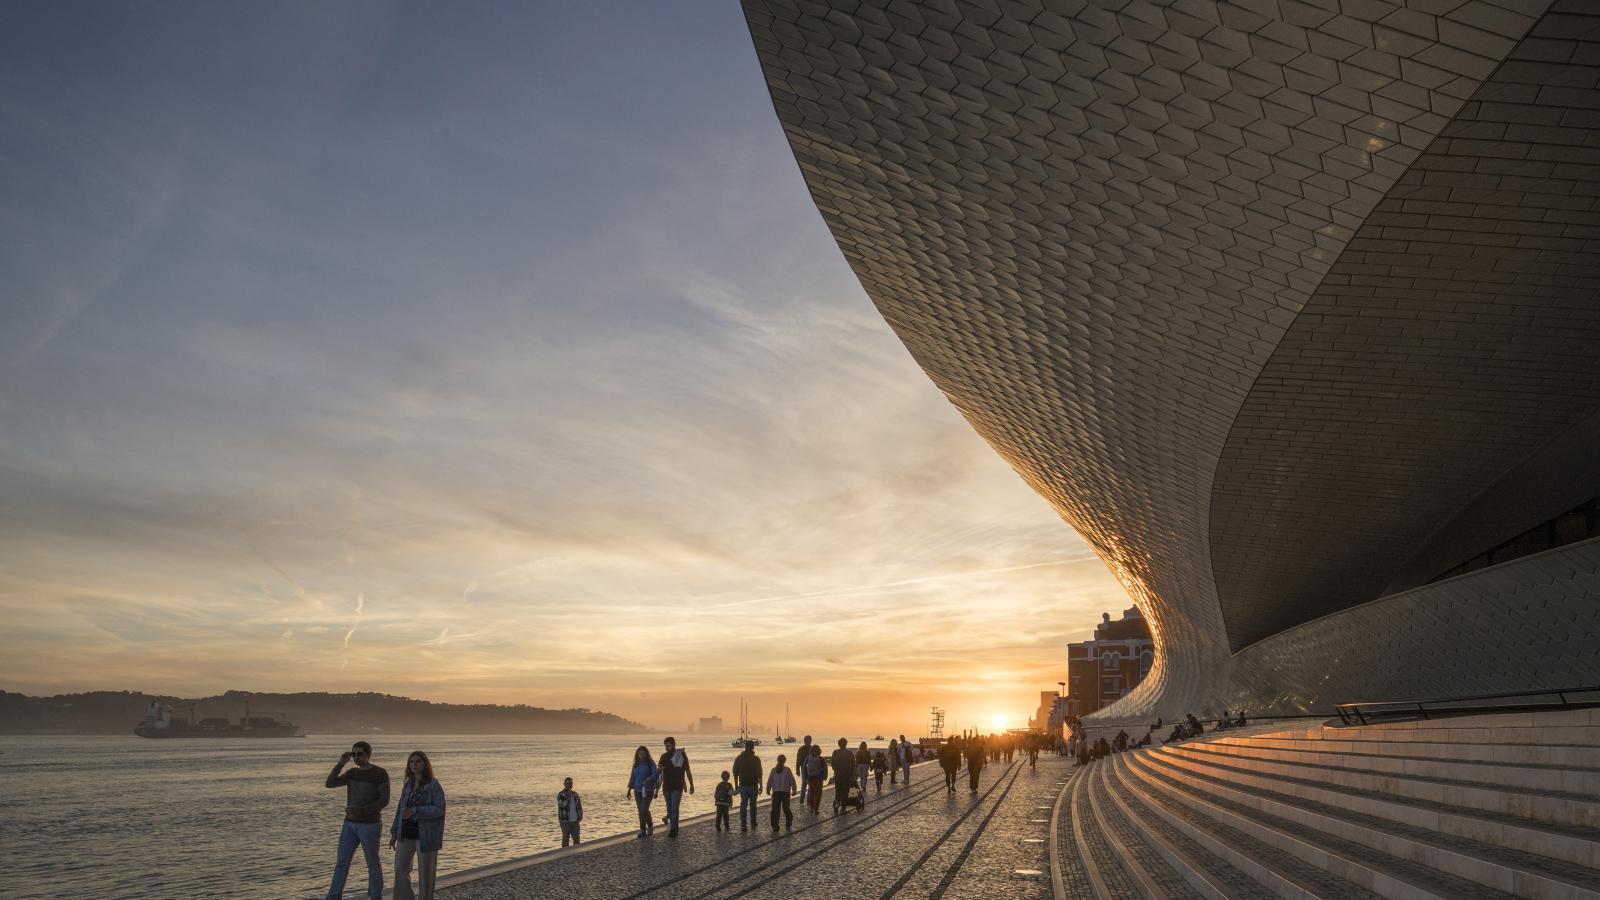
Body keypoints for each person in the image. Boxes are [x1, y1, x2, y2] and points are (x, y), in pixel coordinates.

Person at [324, 740, 391, 900]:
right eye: (353, 754)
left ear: (368, 755)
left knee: (373, 864)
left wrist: (361, 811)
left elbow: (384, 800)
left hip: (370, 825)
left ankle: (375, 896)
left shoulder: (380, 773)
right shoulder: (352, 773)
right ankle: (333, 897)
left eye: (359, 754)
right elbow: (330, 783)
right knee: (342, 862)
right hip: (349, 825)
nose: (356, 757)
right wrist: (341, 763)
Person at [389, 750, 445, 900]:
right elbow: (400, 808)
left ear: (425, 764)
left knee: (425, 873)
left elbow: (440, 809)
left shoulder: (433, 784)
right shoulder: (408, 784)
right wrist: (394, 832)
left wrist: (416, 811)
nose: (414, 764)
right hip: (405, 833)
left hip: (426, 835)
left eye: (418, 761)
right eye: (411, 762)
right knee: (400, 869)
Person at [657, 736, 694, 837]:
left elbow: (687, 770)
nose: (666, 748)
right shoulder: (663, 756)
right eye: (665, 746)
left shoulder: (681, 755)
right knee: (669, 809)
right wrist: (657, 789)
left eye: (668, 746)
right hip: (666, 787)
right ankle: (673, 827)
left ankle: (674, 829)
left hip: (677, 786)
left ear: (673, 745)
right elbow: (659, 773)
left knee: (674, 808)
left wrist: (691, 785)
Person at [625, 745, 659, 838]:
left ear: (646, 754)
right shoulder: (636, 764)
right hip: (637, 790)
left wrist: (649, 778)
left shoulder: (650, 763)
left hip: (648, 790)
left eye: (643, 754)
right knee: (641, 811)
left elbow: (656, 773)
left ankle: (647, 827)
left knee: (643, 809)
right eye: (639, 754)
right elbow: (632, 777)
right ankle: (644, 830)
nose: (641, 755)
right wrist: (629, 789)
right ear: (637, 754)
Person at [732, 740, 763, 832]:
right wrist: (761, 786)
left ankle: (743, 824)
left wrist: (736, 785)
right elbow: (759, 774)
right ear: (753, 747)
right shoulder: (756, 759)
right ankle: (753, 822)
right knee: (753, 805)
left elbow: (735, 773)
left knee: (743, 805)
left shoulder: (738, 758)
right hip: (753, 785)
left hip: (743, 785)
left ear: (745, 747)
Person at [767, 753, 797, 830]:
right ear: (785, 761)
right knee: (786, 808)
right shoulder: (787, 770)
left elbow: (770, 780)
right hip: (785, 792)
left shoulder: (774, 770)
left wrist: (768, 789)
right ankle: (788, 822)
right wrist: (794, 790)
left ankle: (774, 825)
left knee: (775, 809)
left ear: (778, 760)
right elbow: (792, 781)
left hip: (776, 792)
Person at [829, 738, 856, 813]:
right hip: (846, 775)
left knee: (838, 790)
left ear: (839, 744)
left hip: (838, 775)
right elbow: (853, 764)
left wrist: (836, 770)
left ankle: (837, 804)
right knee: (845, 791)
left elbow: (832, 764)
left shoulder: (835, 752)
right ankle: (843, 808)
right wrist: (853, 775)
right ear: (846, 744)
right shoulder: (849, 753)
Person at [557, 776, 582, 848]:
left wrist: (580, 816)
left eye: (571, 783)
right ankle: (565, 854)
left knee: (576, 839)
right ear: (564, 784)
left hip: (575, 821)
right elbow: (562, 805)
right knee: (565, 839)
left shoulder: (575, 794)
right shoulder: (561, 794)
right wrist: (568, 798)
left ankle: (576, 853)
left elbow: (579, 806)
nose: (569, 785)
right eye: (568, 783)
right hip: (565, 821)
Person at [803, 745, 827, 813]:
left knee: (811, 792)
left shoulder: (807, 758)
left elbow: (804, 768)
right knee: (818, 793)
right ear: (819, 750)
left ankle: (811, 808)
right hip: (819, 778)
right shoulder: (821, 758)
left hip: (810, 778)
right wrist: (825, 776)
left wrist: (805, 777)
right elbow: (825, 768)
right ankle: (816, 808)